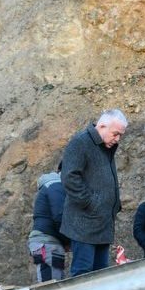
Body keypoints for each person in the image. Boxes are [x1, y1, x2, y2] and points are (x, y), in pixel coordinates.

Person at [60, 109, 127, 276]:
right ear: (102, 126)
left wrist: (112, 206)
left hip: (102, 223)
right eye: (115, 134)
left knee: (101, 275)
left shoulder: (104, 146)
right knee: (83, 274)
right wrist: (91, 203)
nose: (117, 139)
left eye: (120, 135)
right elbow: (69, 177)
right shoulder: (81, 143)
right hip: (84, 223)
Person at [27, 168, 68, 281]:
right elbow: (59, 216)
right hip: (47, 242)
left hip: (48, 242)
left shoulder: (52, 187)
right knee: (51, 287)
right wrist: (69, 240)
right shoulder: (55, 185)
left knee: (55, 284)